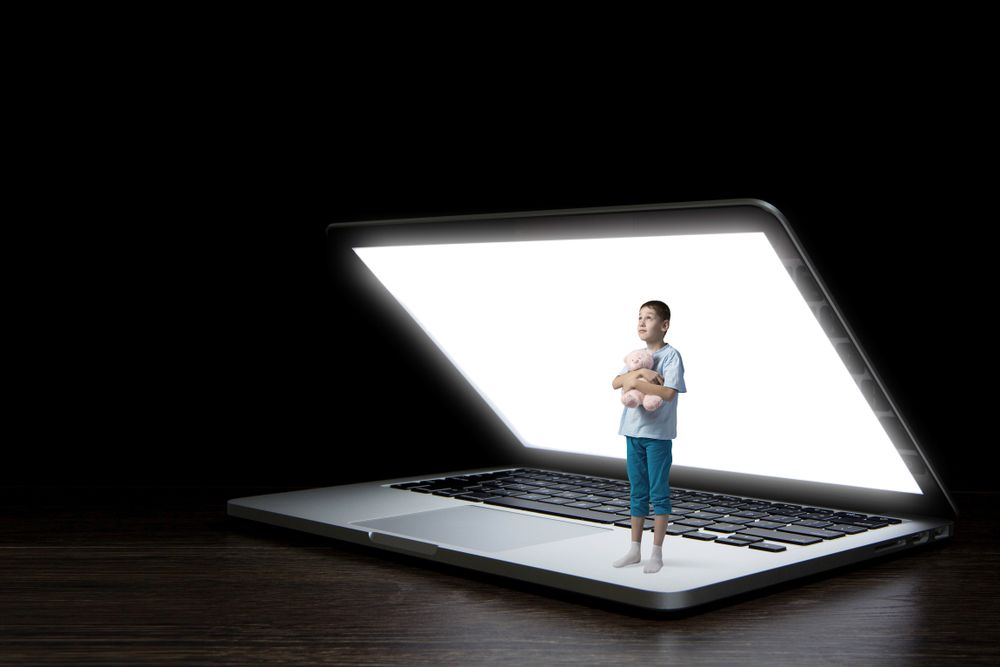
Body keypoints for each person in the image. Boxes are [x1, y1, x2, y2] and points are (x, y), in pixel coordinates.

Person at [610, 300, 687, 573]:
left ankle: (657, 552)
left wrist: (634, 380)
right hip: (632, 432)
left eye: (649, 317)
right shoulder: (637, 358)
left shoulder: (671, 356)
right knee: (637, 491)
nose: (642, 322)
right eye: (639, 317)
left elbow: (667, 393)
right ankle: (634, 549)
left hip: (657, 436)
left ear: (664, 325)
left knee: (658, 492)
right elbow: (616, 383)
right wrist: (642, 373)